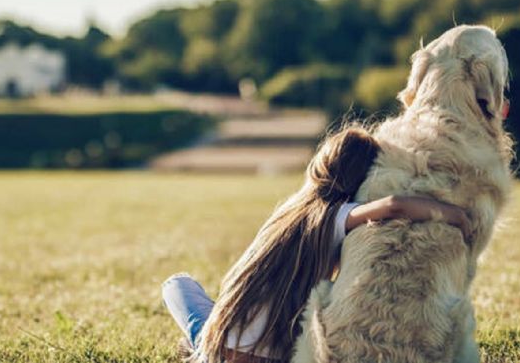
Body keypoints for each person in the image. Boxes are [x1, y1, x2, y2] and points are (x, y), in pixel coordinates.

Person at [162, 125, 471, 363]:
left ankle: (198, 347)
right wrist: (456, 215)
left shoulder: (291, 212)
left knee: (177, 284)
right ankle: (199, 344)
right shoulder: (335, 216)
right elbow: (394, 205)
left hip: (223, 344)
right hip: (275, 353)